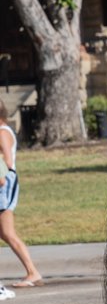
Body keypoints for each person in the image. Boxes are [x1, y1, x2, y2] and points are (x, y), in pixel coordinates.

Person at [0, 99, 44, 292]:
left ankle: (33, 272)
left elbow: (8, 163)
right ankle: (32, 272)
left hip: (4, 184)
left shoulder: (2, 133)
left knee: (8, 233)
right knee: (4, 233)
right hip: (5, 182)